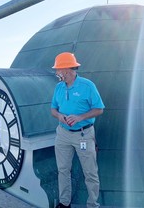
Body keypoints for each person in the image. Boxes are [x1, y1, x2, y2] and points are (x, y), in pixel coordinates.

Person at [51, 52, 105, 208]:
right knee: (63, 170)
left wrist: (80, 117)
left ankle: (93, 204)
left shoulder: (87, 86)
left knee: (90, 172)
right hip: (62, 134)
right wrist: (60, 116)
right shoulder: (58, 87)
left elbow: (99, 109)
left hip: (84, 135)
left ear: (67, 69)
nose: (57, 73)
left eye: (58, 70)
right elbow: (53, 109)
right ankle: (64, 203)